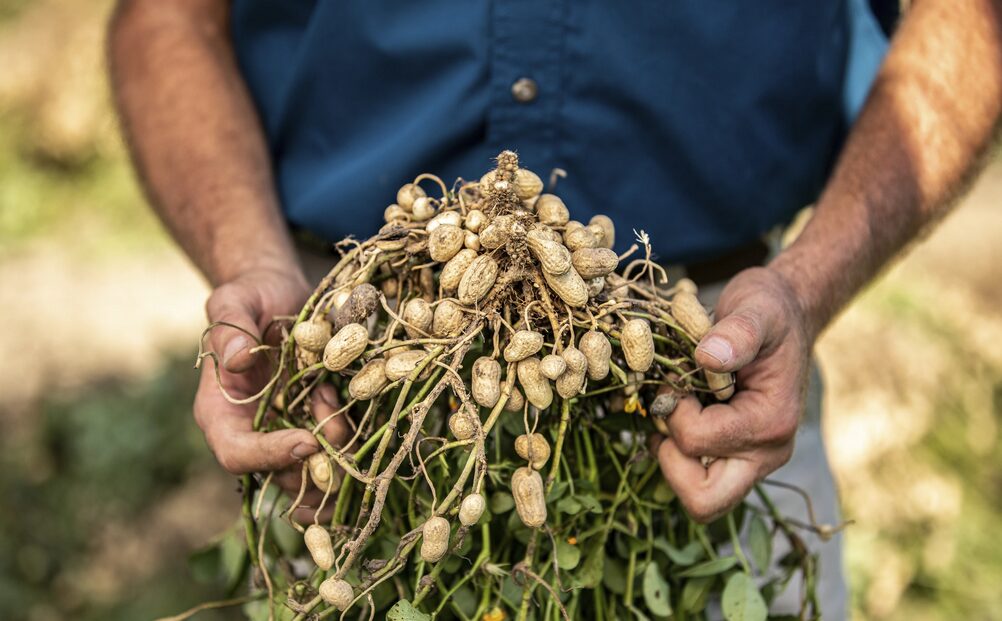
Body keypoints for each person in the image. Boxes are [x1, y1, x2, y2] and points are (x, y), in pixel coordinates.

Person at [109, 0, 1002, 617]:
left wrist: (806, 287)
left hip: (715, 362)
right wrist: (250, 259)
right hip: (349, 377)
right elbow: (167, 18)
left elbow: (964, 20)